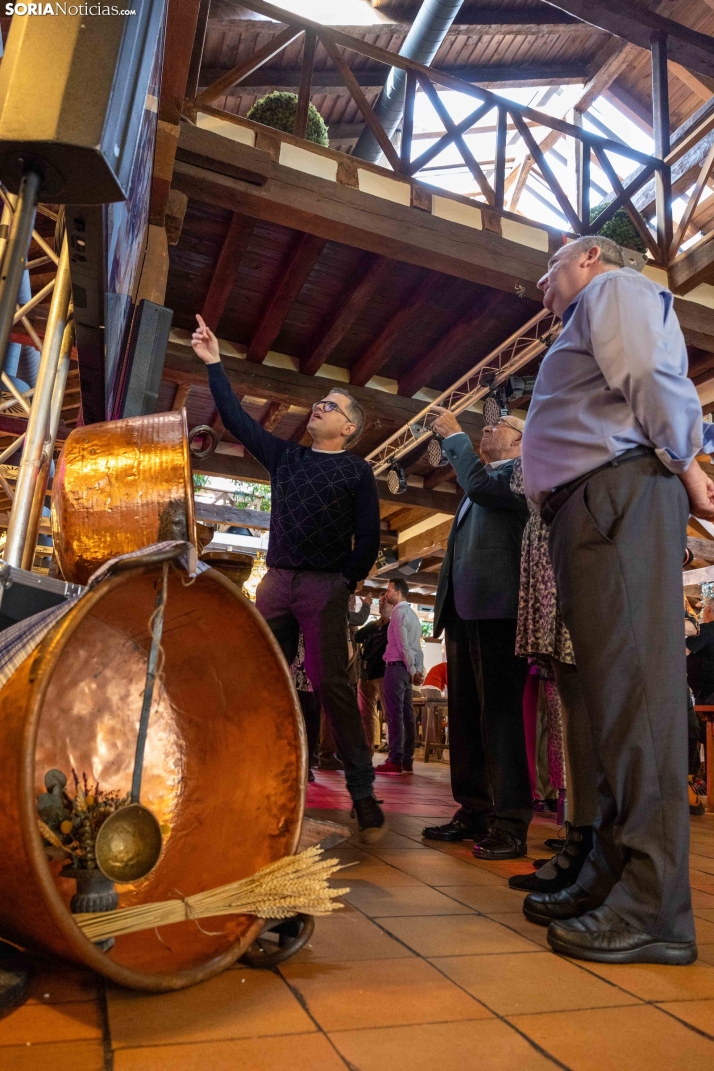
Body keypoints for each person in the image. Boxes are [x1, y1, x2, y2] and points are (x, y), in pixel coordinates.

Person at [520, 234, 714, 965]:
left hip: (617, 492)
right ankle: (612, 869)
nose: (542, 287)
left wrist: (687, 461)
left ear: (591, 257)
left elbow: (648, 374)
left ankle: (656, 904)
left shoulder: (616, 290)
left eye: (549, 269)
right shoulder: (588, 307)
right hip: (592, 502)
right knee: (608, 704)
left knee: (637, 700)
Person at [192, 314, 386, 843]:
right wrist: (215, 364)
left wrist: (344, 582)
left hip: (324, 585)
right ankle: (257, 769)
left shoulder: (356, 471)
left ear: (348, 428)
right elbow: (235, 419)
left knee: (332, 684)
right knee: (262, 672)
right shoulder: (287, 456)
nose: (318, 407)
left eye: (331, 406)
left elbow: (368, 538)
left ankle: (363, 790)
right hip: (275, 582)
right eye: (319, 402)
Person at [422, 414, 532, 859]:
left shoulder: (525, 474)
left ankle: (511, 820)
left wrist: (454, 438)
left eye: (501, 423)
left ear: (524, 441)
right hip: (465, 611)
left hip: (500, 610)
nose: (488, 427)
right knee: (466, 715)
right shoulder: (482, 480)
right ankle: (474, 809)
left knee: (501, 716)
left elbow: (484, 490)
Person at [507, 456, 598, 894]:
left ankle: (590, 840)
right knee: (569, 706)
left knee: (582, 705)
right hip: (554, 551)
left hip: (576, 552)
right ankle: (580, 834)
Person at [377, 578, 424, 774]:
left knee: (394, 714)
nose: (386, 594)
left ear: (398, 593)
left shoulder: (398, 614)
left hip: (397, 668)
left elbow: (404, 645)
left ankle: (395, 759)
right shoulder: (413, 616)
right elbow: (417, 649)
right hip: (406, 669)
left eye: (388, 590)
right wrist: (417, 669)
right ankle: (407, 759)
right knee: (407, 714)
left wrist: (413, 670)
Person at [355, 594, 391, 750]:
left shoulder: (393, 626)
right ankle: (366, 751)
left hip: (383, 674)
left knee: (389, 714)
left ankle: (395, 754)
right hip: (366, 674)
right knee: (365, 716)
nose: (381, 603)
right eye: (380, 601)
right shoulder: (374, 626)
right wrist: (374, 624)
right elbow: (357, 636)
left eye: (385, 601)